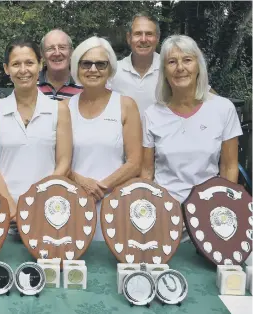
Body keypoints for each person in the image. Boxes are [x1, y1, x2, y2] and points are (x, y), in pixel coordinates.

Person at [141, 35, 242, 240]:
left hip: (211, 215)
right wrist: (158, 211)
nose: (180, 67)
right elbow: (147, 172)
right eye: (172, 61)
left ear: (198, 66)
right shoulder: (152, 114)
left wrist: (214, 210)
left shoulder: (223, 109)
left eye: (187, 60)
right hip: (165, 216)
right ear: (164, 72)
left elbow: (229, 168)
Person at [0, 38, 73, 220]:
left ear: (40, 65)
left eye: (29, 63)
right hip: (4, 211)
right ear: (7, 69)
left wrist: (39, 202)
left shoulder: (59, 109)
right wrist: (9, 204)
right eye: (16, 64)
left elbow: (63, 164)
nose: (23, 70)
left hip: (48, 209)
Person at [68, 36, 142, 241]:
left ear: (110, 68)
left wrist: (100, 188)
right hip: (72, 203)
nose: (93, 69)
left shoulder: (126, 105)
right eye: (86, 63)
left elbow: (135, 162)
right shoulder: (64, 108)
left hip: (114, 204)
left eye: (101, 64)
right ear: (77, 67)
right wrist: (82, 183)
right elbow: (58, 160)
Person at [108, 12, 160, 115]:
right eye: (138, 34)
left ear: (157, 38)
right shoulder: (114, 71)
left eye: (149, 34)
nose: (143, 39)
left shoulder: (169, 69)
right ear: (128, 38)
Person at [38, 29, 82, 101]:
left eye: (62, 47)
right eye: (50, 49)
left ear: (71, 52)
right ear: (42, 54)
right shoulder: (31, 84)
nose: (57, 53)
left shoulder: (84, 85)